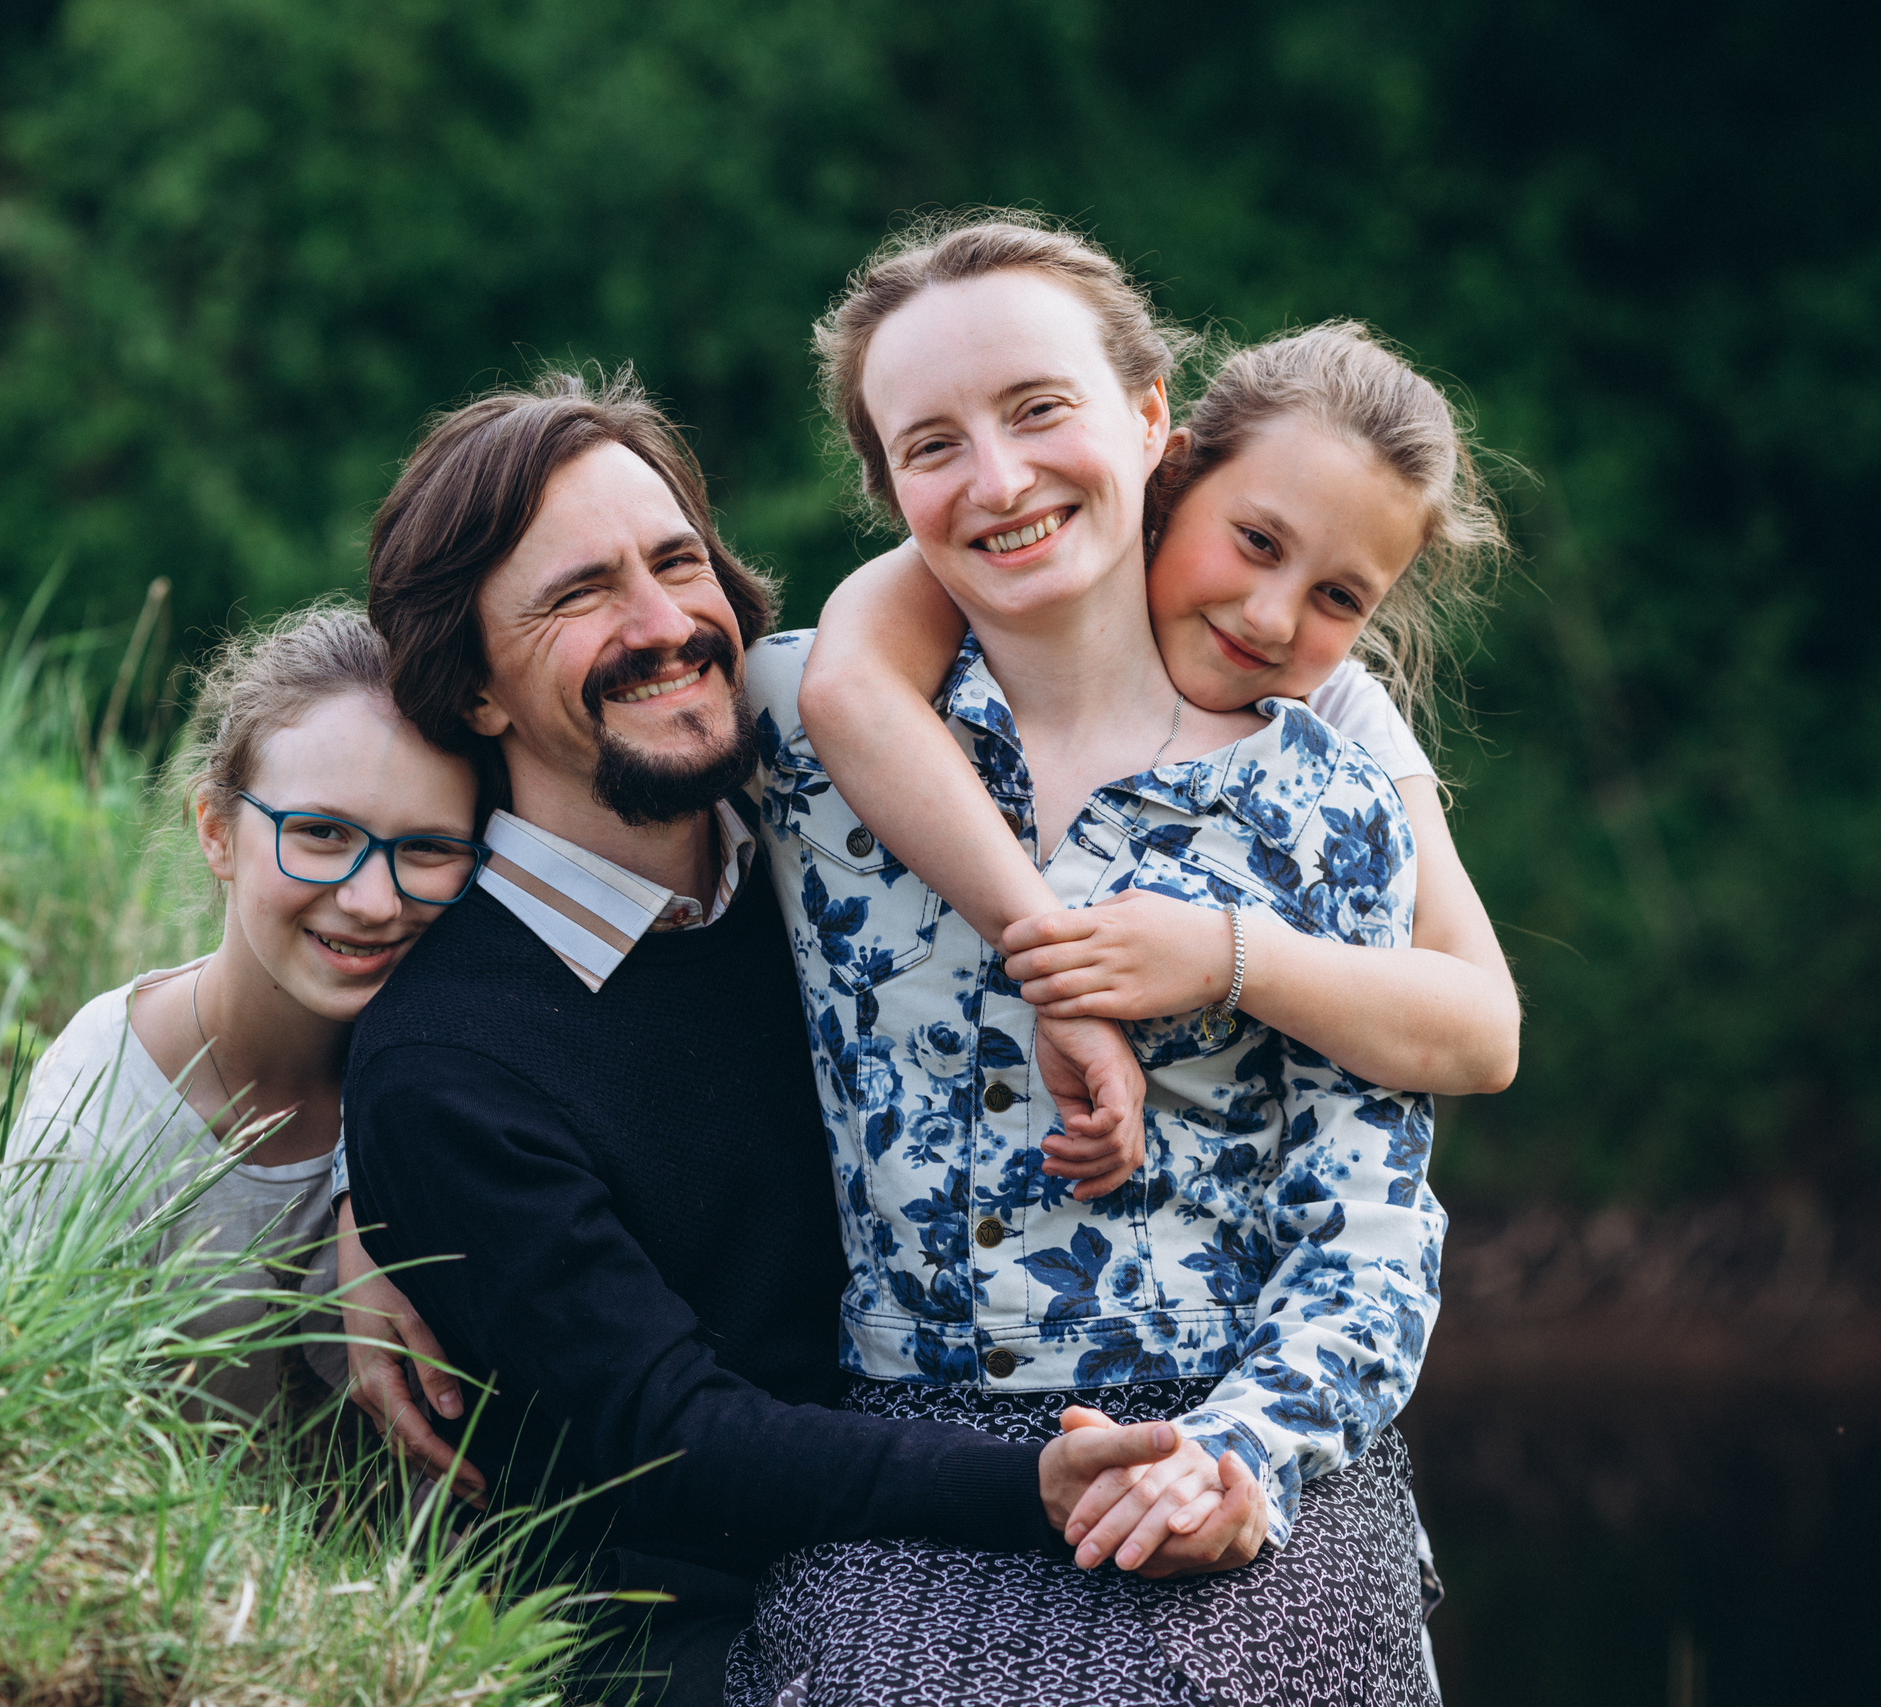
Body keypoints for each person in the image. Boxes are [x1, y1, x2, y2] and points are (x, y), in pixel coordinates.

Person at [335, 369, 1156, 1707]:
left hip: (967, 1484)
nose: (666, 625)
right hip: (688, 1623)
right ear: (472, 687)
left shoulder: (848, 836)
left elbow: (1111, 578)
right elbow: (679, 1441)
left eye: (678, 562)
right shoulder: (447, 1064)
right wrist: (1039, 1482)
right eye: (581, 592)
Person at [728, 216, 1446, 1705]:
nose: (997, 480)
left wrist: (1243, 1454)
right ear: (891, 493)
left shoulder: (1324, 790)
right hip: (915, 1433)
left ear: (1150, 417)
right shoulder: (793, 729)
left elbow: (1372, 1222)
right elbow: (500, 849)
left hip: (1244, 1418)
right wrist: (376, 1188)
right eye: (932, 443)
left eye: (1037, 408)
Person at [798, 319, 1518, 1100]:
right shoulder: (1024, 568)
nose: (1272, 618)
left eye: (1339, 597)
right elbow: (851, 682)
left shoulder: (1338, 710)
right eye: (1257, 542)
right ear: (1169, 473)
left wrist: (1229, 954)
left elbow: (1482, 1035)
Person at [3, 604, 489, 1418]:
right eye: (322, 833)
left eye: (428, 848)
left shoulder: (476, 1070)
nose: (373, 901)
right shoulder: (97, 1134)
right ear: (216, 830)